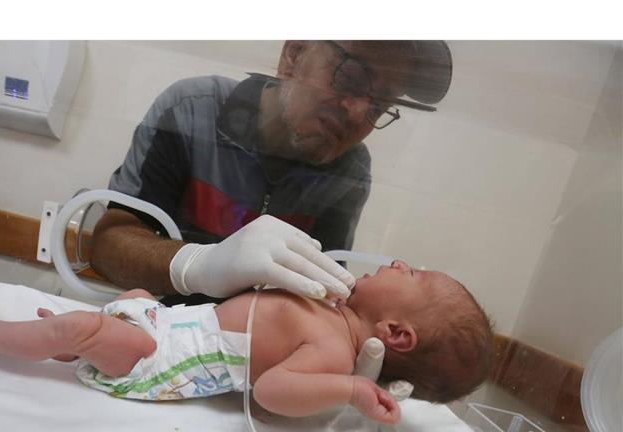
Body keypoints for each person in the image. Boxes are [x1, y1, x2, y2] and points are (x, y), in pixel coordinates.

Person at [89, 41, 453, 305]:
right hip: (150, 326)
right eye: (351, 78)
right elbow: (108, 245)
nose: (358, 113)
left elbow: (320, 290)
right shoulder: (194, 110)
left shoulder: (351, 170)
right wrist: (200, 265)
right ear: (293, 55)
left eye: (380, 105)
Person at [0, 260, 492, 425]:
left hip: (159, 361)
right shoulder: (330, 304)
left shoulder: (334, 352)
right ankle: (72, 344)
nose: (397, 262)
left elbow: (270, 390)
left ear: (396, 333)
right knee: (133, 296)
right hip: (169, 324)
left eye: (411, 275)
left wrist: (346, 389)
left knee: (83, 328)